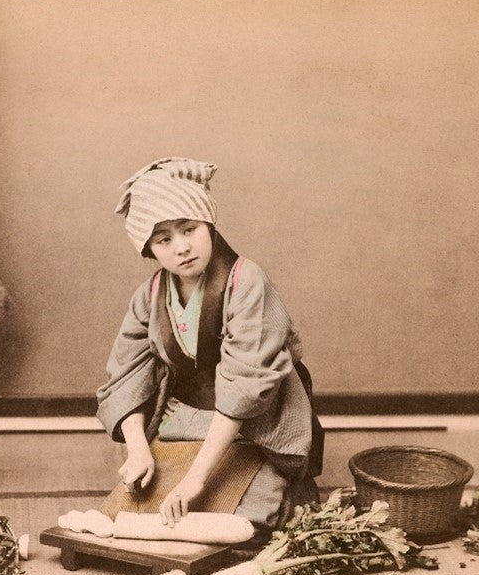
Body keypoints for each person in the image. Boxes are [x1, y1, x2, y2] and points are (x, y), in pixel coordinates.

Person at [96, 157, 323, 539]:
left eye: (189, 229)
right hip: (186, 418)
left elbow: (246, 385)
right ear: (149, 248)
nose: (181, 247)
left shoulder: (247, 281)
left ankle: (277, 485)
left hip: (257, 419)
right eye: (164, 239)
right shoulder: (149, 295)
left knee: (247, 522)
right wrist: (137, 448)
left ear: (209, 225)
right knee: (136, 508)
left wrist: (197, 478)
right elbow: (125, 373)